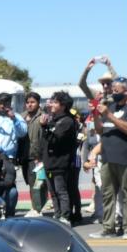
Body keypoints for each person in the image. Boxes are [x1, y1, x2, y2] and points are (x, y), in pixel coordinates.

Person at [90, 77, 127, 240]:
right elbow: (100, 130)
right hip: (107, 157)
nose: (113, 92)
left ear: (126, 91)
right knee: (108, 194)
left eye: (116, 90)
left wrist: (109, 115)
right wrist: (97, 114)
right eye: (112, 90)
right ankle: (108, 227)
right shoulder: (110, 107)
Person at [41, 92, 80, 224]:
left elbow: (54, 140)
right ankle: (57, 215)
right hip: (49, 163)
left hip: (60, 163)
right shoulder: (54, 119)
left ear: (63, 106)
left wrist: (44, 126)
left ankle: (65, 216)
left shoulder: (67, 121)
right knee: (53, 192)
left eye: (55, 102)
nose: (51, 104)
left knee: (61, 191)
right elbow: (47, 139)